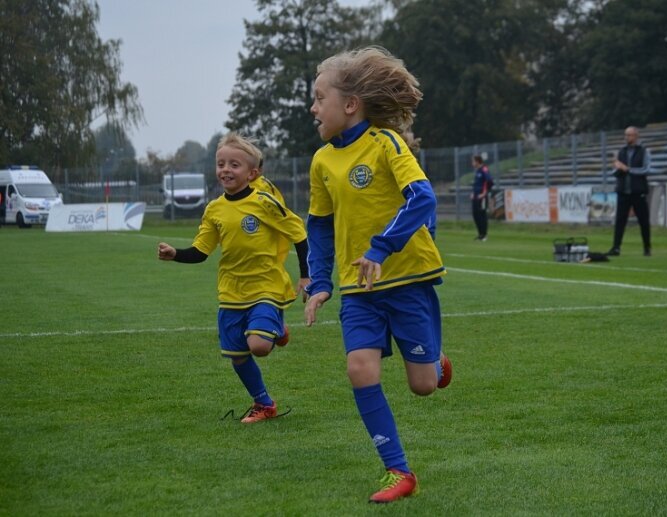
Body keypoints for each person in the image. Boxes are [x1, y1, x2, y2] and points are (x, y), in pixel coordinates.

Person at [304, 46, 452, 504]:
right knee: (359, 369)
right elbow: (320, 226)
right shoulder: (321, 161)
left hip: (407, 280)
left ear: (350, 104)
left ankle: (437, 360)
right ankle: (398, 472)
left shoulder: (387, 144)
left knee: (423, 386)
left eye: (319, 97)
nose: (313, 108)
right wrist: (321, 282)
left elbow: (422, 199)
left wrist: (381, 247)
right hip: (358, 289)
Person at [158, 132, 309, 423]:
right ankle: (264, 404)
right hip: (231, 292)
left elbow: (299, 233)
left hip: (266, 286)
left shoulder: (264, 202)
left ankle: (274, 325)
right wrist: (175, 253)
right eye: (221, 163)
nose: (226, 169)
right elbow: (201, 251)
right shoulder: (214, 210)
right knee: (237, 355)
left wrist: (306, 275)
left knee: (259, 347)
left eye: (234, 165)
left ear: (252, 173)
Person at [607, 126, 652, 257]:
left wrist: (628, 169)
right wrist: (617, 169)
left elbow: (646, 170)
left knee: (643, 221)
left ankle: (647, 247)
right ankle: (616, 247)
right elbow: (617, 171)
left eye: (630, 135)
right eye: (626, 135)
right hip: (623, 191)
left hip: (638, 191)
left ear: (636, 136)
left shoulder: (643, 152)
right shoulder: (621, 152)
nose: (627, 137)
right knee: (620, 221)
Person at [470, 154, 493, 241]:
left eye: (473, 161)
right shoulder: (477, 171)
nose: (472, 163)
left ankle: (484, 235)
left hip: (482, 197)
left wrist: (484, 193)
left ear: (477, 161)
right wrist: (473, 193)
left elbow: (489, 181)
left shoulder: (484, 169)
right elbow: (477, 184)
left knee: (482, 214)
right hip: (476, 196)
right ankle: (480, 234)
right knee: (475, 214)